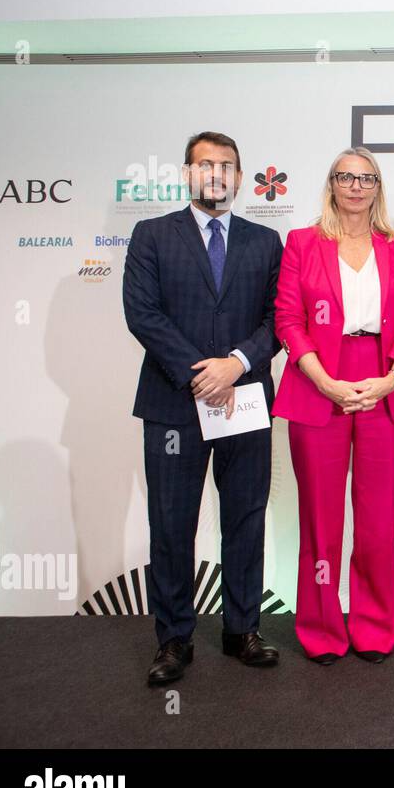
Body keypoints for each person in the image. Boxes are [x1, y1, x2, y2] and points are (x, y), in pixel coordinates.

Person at [122, 130, 284, 685]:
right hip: (174, 404)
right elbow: (142, 314)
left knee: (245, 518)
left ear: (240, 177)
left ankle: (242, 629)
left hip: (244, 402)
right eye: (204, 165)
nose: (216, 174)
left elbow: (277, 321)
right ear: (187, 174)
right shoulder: (151, 236)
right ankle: (173, 639)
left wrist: (235, 364)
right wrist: (203, 373)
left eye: (227, 165)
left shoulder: (265, 242)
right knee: (171, 525)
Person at [272, 147, 394, 664]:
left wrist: (392, 376)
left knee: (377, 519)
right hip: (319, 379)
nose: (356, 186)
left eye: (366, 178)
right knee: (320, 518)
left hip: (384, 380)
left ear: (378, 187)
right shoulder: (301, 242)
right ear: (332, 184)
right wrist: (324, 379)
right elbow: (289, 319)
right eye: (346, 177)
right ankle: (320, 630)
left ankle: (375, 627)